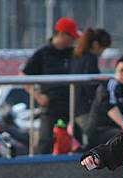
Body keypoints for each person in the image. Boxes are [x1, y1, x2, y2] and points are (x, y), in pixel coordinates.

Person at [20, 17, 80, 154]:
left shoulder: (73, 53)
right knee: (46, 142)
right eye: (71, 37)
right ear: (61, 34)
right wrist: (38, 96)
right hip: (50, 106)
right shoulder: (43, 53)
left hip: (71, 106)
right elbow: (23, 76)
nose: (73, 41)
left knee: (77, 141)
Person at [85, 54, 123, 148]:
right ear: (116, 72)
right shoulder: (110, 84)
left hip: (116, 131)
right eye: (122, 70)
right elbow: (110, 107)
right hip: (99, 131)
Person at [72, 28, 112, 144]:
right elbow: (91, 85)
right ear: (96, 45)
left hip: (76, 107)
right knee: (92, 139)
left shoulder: (78, 56)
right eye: (103, 48)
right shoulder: (91, 58)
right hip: (86, 108)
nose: (103, 52)